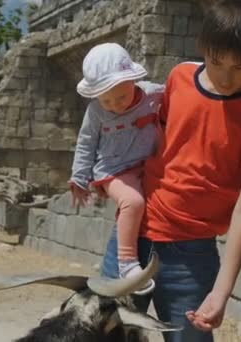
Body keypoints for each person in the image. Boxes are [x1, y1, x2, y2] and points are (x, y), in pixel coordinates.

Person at [100, 1, 241, 341]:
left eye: (240, 67)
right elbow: (154, 145)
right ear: (203, 48)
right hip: (129, 242)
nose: (227, 78)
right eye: (217, 63)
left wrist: (221, 291)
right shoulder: (179, 77)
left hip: (191, 258)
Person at [69, 42, 164, 294]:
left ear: (133, 80)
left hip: (147, 165)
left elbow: (185, 94)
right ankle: (127, 264)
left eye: (121, 96)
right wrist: (79, 178)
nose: (115, 104)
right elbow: (86, 142)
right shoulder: (96, 111)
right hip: (113, 170)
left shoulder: (154, 95)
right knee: (133, 203)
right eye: (106, 99)